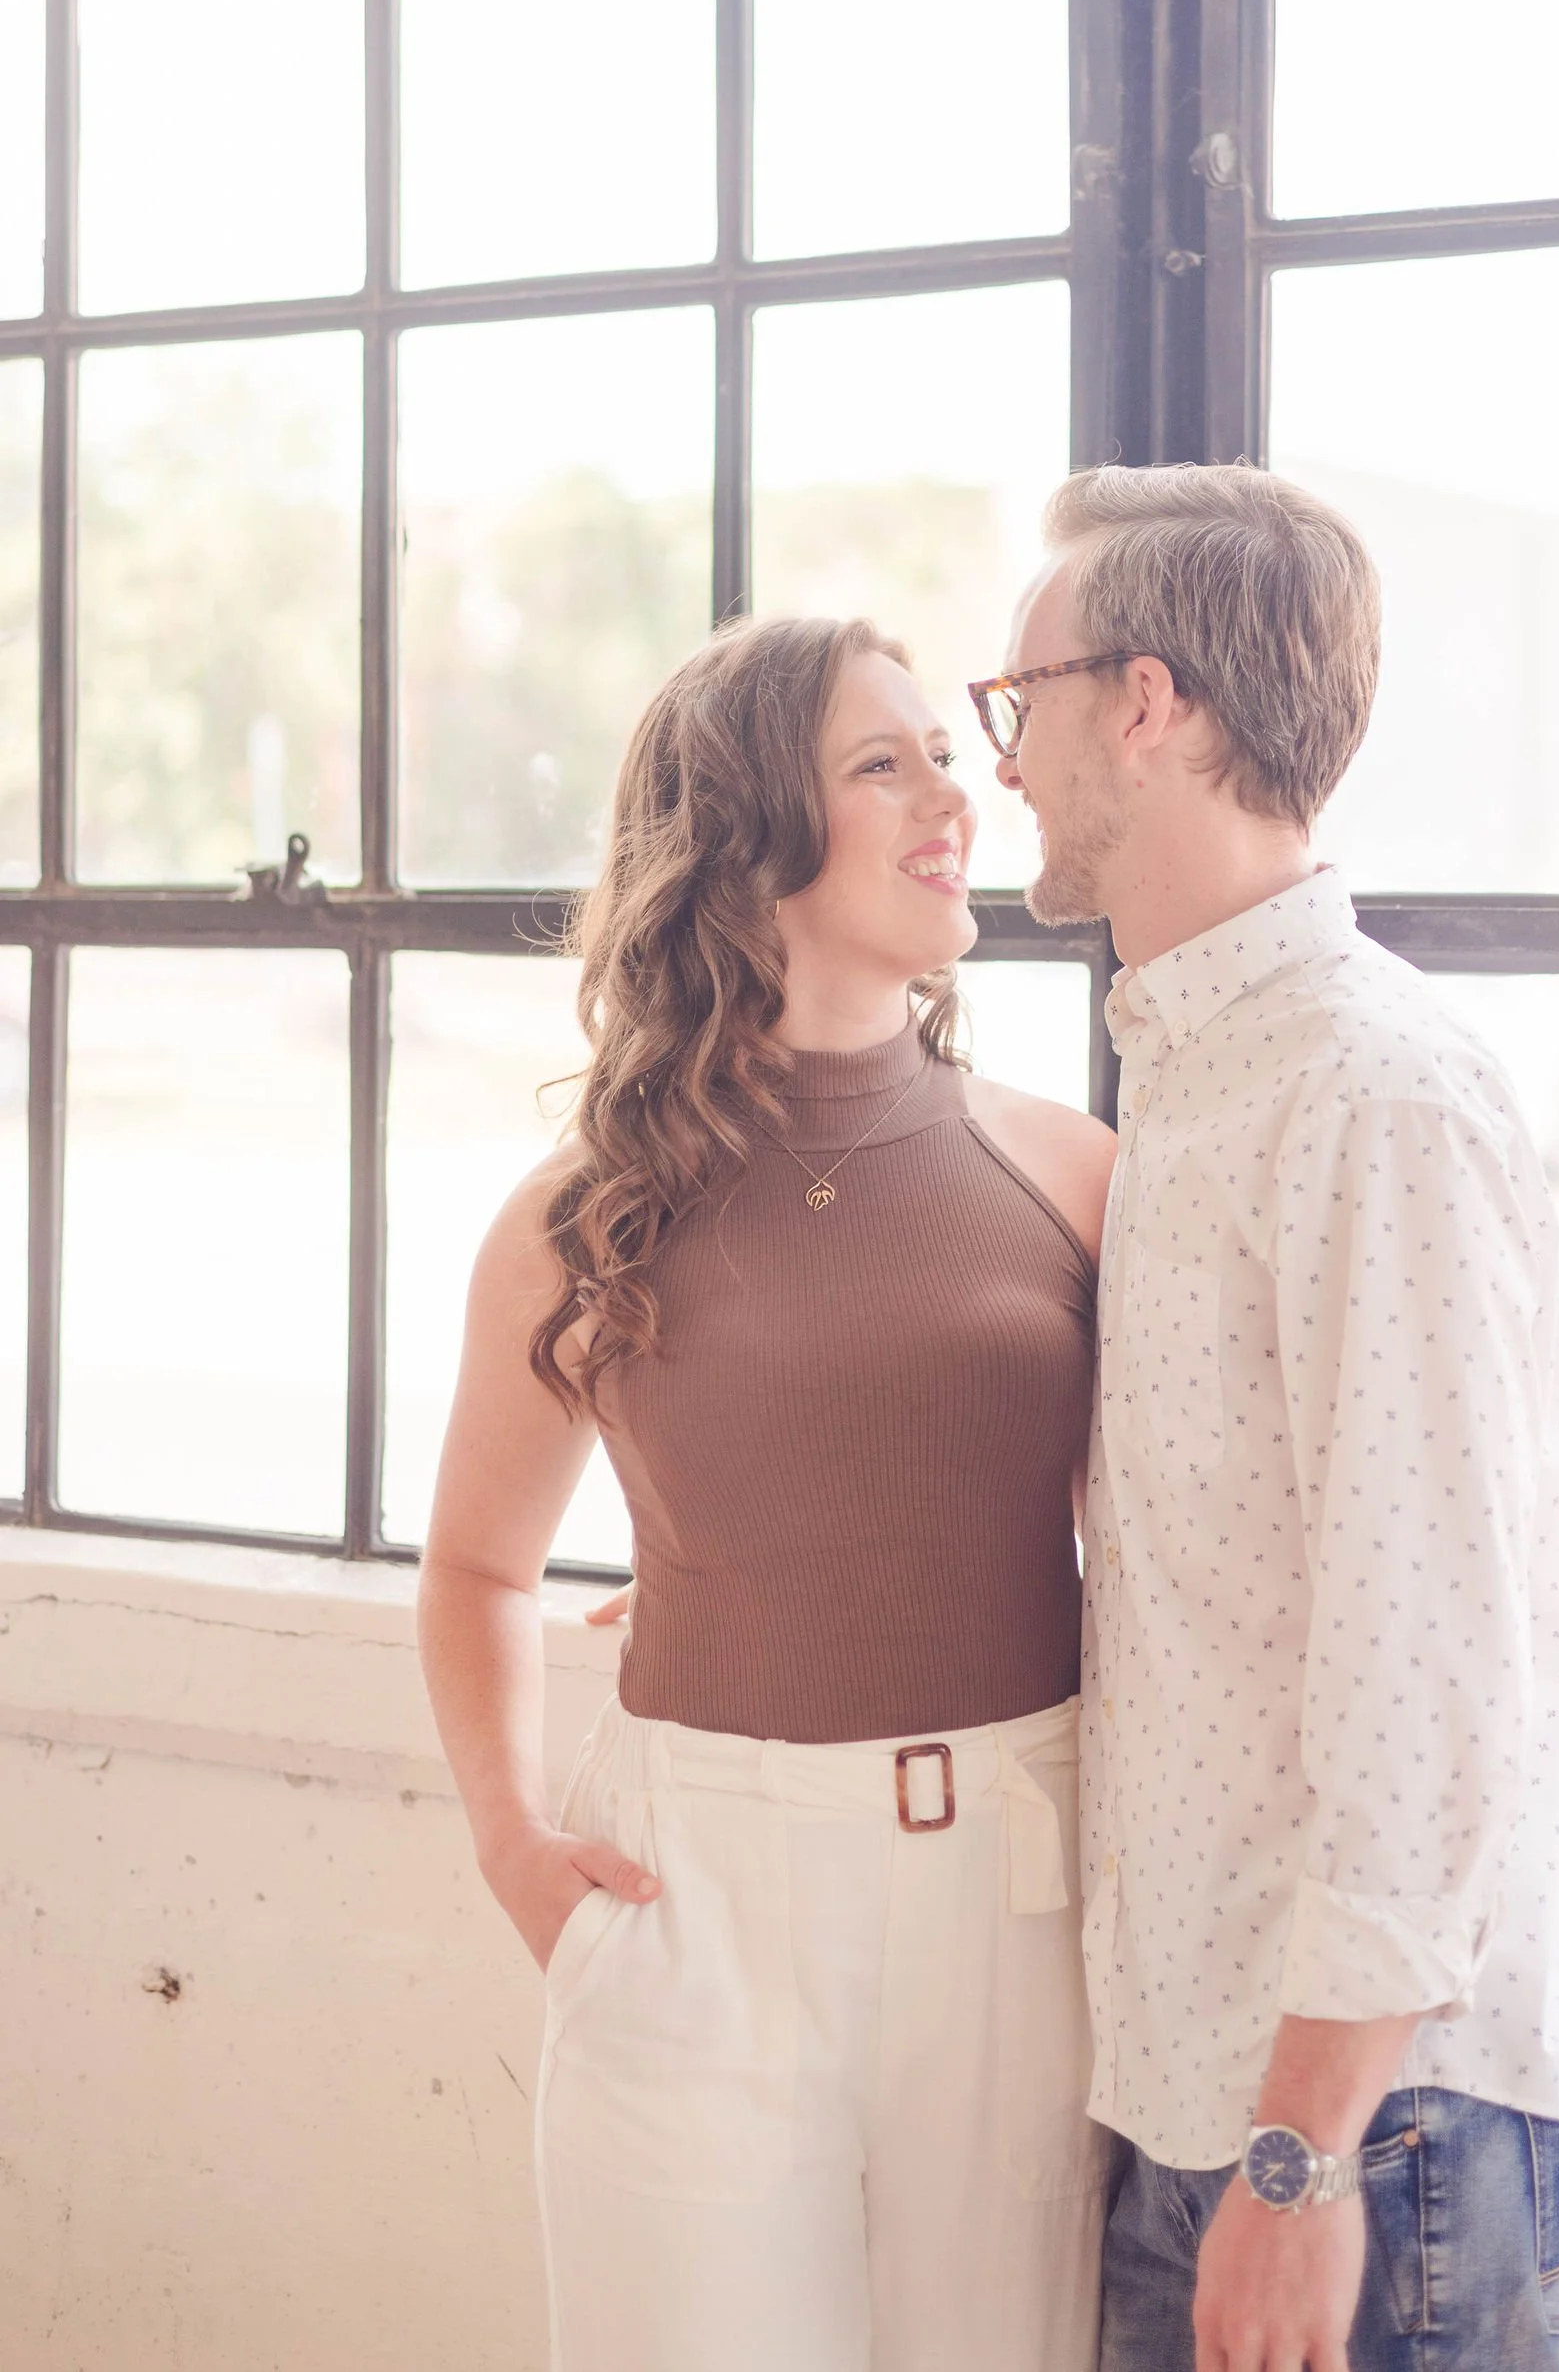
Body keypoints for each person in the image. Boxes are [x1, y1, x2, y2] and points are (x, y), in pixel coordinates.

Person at [970, 463, 1559, 2372]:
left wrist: (1298, 2155)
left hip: (1365, 2133)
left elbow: (1434, 1675)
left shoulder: (1370, 1092)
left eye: (1019, 704)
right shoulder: (1191, 1074)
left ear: (1148, 702)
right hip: (1213, 2094)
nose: (1000, 763)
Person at [417, 614, 1117, 2372]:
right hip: (689, 1899)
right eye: (882, 763)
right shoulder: (587, 1210)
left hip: (1013, 1902)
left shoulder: (1072, 1171)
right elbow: (480, 1566)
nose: (951, 795)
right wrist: (515, 1849)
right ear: (743, 838)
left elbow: (1189, 1554)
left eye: (944, 754)